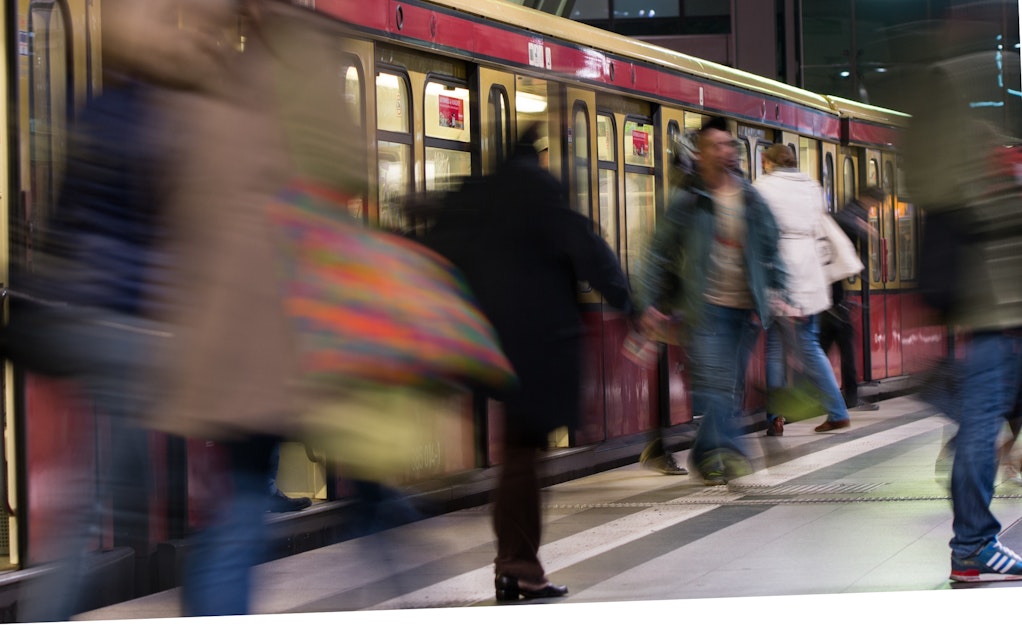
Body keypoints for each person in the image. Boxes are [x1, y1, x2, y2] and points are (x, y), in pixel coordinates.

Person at [418, 124, 633, 602]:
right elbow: (588, 248)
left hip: (490, 344)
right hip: (538, 346)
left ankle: (516, 564)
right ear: (537, 156)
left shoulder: (480, 196)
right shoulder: (539, 192)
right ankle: (518, 568)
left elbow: (441, 252)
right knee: (523, 461)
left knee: (519, 457)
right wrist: (629, 302)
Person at [904, 62, 1022, 581]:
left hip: (995, 316)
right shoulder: (970, 146)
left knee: (982, 427)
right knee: (980, 429)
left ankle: (973, 542)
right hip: (994, 314)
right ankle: (973, 544)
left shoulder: (952, 150)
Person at [639, 117, 788, 485]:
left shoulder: (751, 198)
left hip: (745, 310)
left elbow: (772, 248)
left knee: (729, 387)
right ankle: (732, 450)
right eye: (713, 147)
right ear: (700, 155)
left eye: (726, 146)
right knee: (717, 387)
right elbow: (658, 253)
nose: (722, 152)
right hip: (704, 309)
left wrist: (780, 291)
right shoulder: (688, 200)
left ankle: (706, 455)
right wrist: (648, 303)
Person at [753, 144, 852, 436]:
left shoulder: (763, 187)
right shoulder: (812, 187)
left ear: (766, 162)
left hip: (780, 273)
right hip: (810, 274)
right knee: (802, 342)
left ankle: (826, 411)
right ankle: (785, 414)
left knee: (784, 346)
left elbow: (760, 232)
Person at [818, 187, 883, 412]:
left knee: (824, 346)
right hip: (834, 294)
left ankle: (841, 396)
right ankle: (849, 398)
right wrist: (865, 231)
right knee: (840, 345)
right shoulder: (851, 213)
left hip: (833, 293)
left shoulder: (850, 212)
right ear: (868, 199)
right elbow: (842, 222)